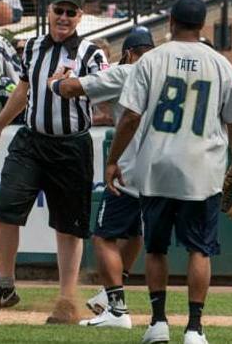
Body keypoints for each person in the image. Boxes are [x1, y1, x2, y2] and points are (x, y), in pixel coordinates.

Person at [105, 0, 232, 344]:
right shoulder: (219, 63)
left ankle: (158, 323)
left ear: (171, 21)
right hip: (202, 170)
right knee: (199, 250)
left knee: (156, 249)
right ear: (203, 25)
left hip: (156, 168)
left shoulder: (151, 59)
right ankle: (195, 328)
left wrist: (113, 159)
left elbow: (130, 117)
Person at [0, 0, 108, 324]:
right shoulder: (32, 47)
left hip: (71, 146)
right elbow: (23, 89)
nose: (63, 17)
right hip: (30, 141)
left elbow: (105, 89)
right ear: (48, 11)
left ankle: (66, 300)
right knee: (5, 209)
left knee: (69, 227)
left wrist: (73, 83)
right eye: (58, 10)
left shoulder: (91, 52)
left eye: (70, 12)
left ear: (80, 17)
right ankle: (4, 284)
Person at [47, 28, 154, 330]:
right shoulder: (164, 70)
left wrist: (55, 83)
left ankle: (117, 310)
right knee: (135, 234)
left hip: (129, 168)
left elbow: (72, 89)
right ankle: (113, 298)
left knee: (103, 237)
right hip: (162, 170)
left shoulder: (126, 71)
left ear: (129, 53)